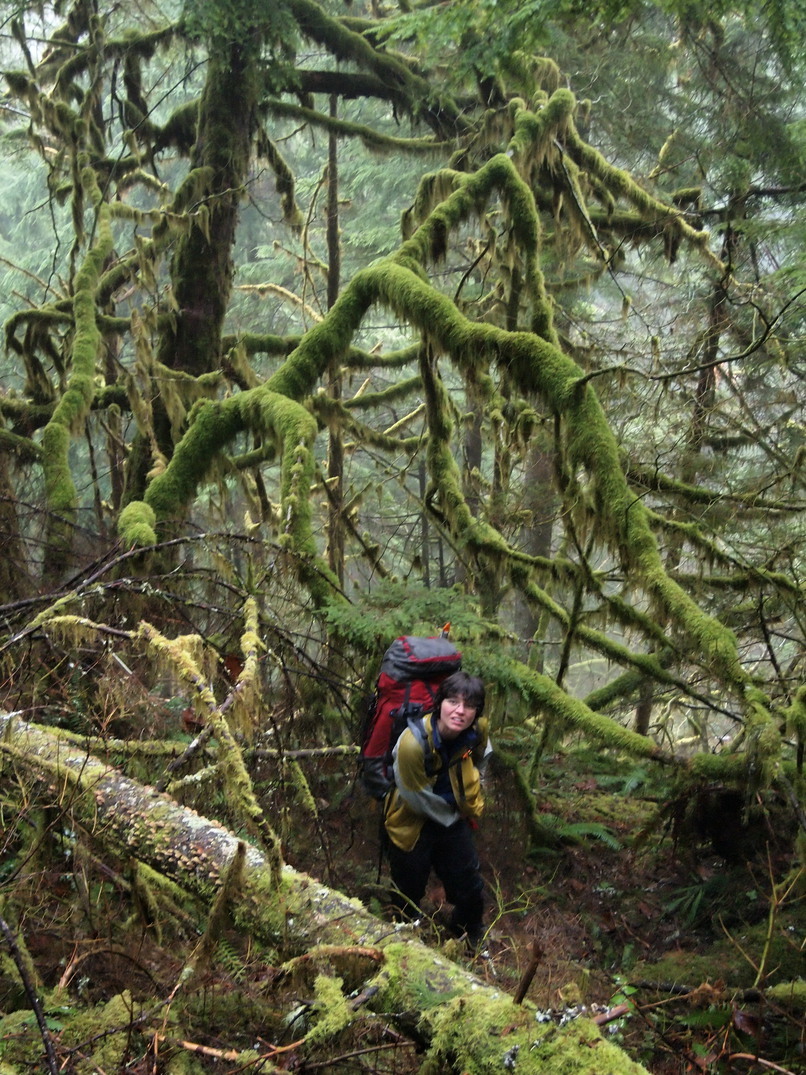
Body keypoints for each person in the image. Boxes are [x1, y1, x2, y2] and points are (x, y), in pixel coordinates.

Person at [383, 670, 491, 946]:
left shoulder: (477, 731)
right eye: (453, 702)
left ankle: (469, 933)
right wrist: (456, 814)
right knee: (408, 886)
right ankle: (404, 935)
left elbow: (482, 756)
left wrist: (474, 790)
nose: (460, 711)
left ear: (477, 712)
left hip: (452, 817)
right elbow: (415, 797)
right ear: (440, 703)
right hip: (411, 820)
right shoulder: (412, 744)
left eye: (469, 706)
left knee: (468, 882)